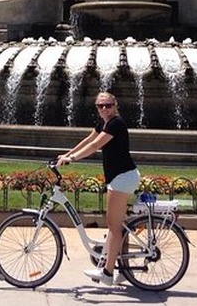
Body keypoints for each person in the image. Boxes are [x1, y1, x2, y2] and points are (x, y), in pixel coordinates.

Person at [56, 92, 140, 285]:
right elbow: (88, 139)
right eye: (100, 106)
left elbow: (95, 145)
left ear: (115, 105)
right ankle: (124, 271)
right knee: (116, 225)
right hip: (120, 178)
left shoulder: (115, 123)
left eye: (108, 105)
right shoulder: (104, 123)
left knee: (113, 226)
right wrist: (66, 154)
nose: (104, 109)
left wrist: (73, 159)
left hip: (122, 178)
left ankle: (108, 273)